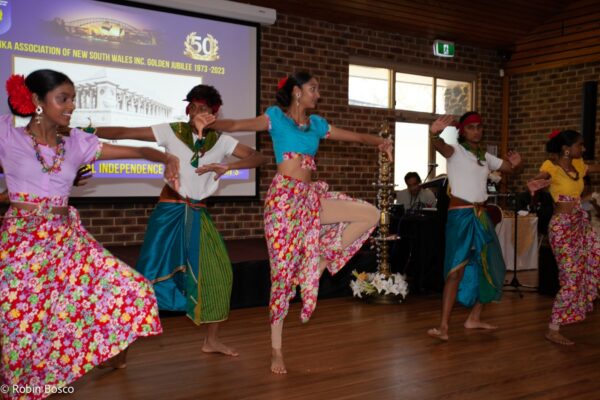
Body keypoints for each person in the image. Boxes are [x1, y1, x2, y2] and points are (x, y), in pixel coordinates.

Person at [0, 69, 178, 398]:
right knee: (21, 323)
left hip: (65, 241)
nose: (71, 106)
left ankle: (104, 357)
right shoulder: (9, 138)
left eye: (73, 99)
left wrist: (163, 156)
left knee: (132, 289)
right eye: (63, 99)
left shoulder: (78, 143)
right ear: (37, 101)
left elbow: (135, 152)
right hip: (22, 243)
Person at [208, 71, 392, 374]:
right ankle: (276, 350)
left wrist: (380, 142)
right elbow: (238, 125)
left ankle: (319, 259)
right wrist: (212, 123)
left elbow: (356, 136)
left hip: (310, 199)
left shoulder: (316, 124)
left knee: (369, 214)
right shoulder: (275, 118)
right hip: (283, 202)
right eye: (313, 89)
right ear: (296, 92)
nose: (317, 95)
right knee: (282, 276)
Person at [93, 84, 264, 357]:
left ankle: (211, 340)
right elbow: (124, 133)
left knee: (220, 273)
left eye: (204, 109)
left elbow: (257, 157)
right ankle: (120, 350)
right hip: (169, 212)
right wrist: (87, 131)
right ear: (187, 110)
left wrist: (229, 166)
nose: (198, 112)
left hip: (198, 214)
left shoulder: (221, 141)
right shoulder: (171, 131)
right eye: (194, 107)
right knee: (147, 279)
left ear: (214, 114)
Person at [426, 112, 522, 341]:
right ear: (462, 131)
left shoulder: (484, 156)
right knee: (455, 271)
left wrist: (517, 164)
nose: (476, 131)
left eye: (479, 127)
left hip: (481, 215)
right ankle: (443, 327)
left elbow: (508, 167)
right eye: (471, 127)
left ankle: (474, 318)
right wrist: (433, 132)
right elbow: (440, 146)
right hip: (460, 215)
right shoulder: (456, 151)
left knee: (491, 265)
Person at [527, 129, 600, 345]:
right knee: (570, 278)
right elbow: (539, 179)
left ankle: (569, 314)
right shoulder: (551, 167)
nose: (583, 149)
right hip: (561, 228)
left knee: (590, 265)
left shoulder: (578, 166)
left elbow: (596, 167)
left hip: (580, 225)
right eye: (580, 145)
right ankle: (553, 328)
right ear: (567, 149)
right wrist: (534, 184)